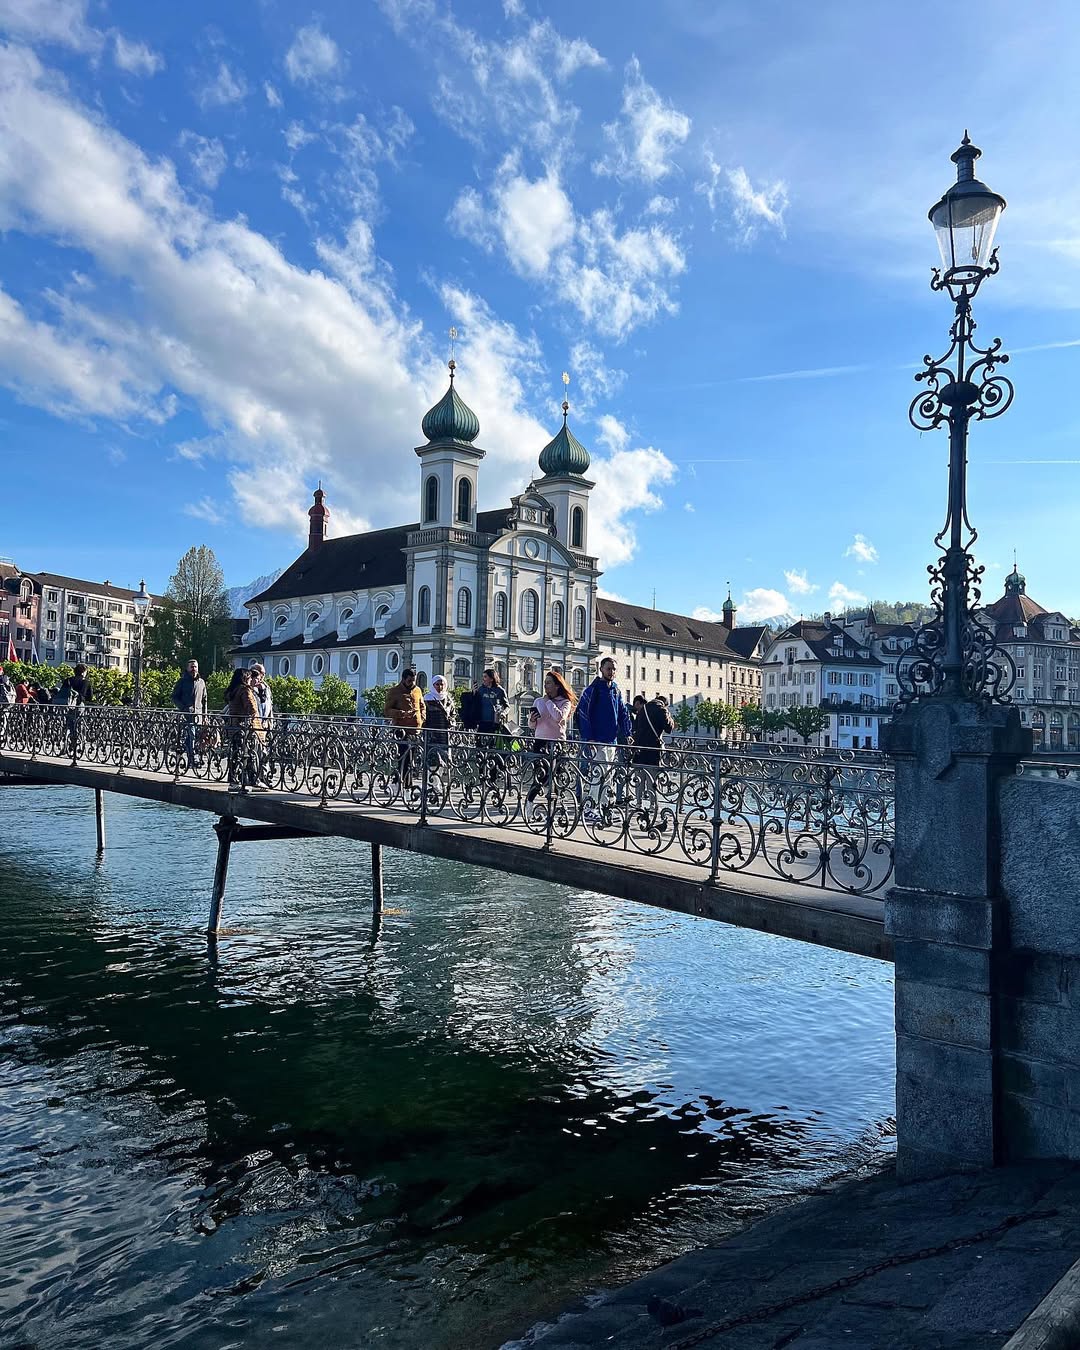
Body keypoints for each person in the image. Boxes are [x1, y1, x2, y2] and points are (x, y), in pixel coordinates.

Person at [577, 656, 632, 815]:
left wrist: (627, 732)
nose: (612, 672)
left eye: (614, 669)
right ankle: (591, 807)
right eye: (609, 668)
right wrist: (590, 737)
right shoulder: (593, 690)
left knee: (609, 774)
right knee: (598, 773)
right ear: (601, 669)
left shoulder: (616, 690)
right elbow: (584, 714)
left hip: (611, 739)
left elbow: (623, 713)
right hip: (597, 739)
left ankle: (605, 806)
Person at [526, 669, 574, 811]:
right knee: (540, 776)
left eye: (549, 683)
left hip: (557, 742)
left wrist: (548, 702)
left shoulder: (565, 702)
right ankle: (529, 803)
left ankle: (553, 807)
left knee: (555, 777)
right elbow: (532, 725)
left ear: (557, 685)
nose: (545, 686)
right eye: (545, 683)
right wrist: (532, 720)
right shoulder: (538, 701)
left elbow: (559, 717)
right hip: (540, 741)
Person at [632, 692, 675, 808]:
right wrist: (670, 718)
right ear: (665, 704)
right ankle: (652, 804)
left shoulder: (643, 709)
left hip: (639, 748)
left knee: (639, 777)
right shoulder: (661, 709)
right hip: (652, 748)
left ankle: (638, 803)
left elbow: (635, 728)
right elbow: (669, 728)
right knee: (652, 779)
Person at [385, 667, 425, 786]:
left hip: (416, 730)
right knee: (405, 757)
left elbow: (422, 706)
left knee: (412, 758)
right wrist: (401, 713)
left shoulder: (417, 690)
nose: (412, 683)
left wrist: (422, 718)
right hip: (401, 729)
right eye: (409, 681)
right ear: (403, 679)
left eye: (414, 680)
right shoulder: (394, 691)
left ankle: (399, 780)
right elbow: (387, 710)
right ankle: (406, 784)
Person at [225, 668, 264, 790]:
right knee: (250, 754)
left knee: (236, 753)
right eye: (248, 677)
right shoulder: (244, 690)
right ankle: (251, 780)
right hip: (246, 727)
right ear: (245, 678)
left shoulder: (233, 690)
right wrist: (254, 721)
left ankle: (234, 780)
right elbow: (251, 709)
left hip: (234, 726)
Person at [171, 659, 209, 770]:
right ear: (187, 668)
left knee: (197, 739)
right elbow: (174, 696)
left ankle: (194, 757)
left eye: (195, 667)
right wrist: (183, 708)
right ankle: (193, 759)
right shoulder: (182, 681)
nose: (194, 669)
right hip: (187, 715)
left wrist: (204, 715)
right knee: (191, 737)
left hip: (198, 715)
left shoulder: (201, 682)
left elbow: (205, 699)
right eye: (192, 667)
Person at [423, 675, 453, 766]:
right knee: (432, 756)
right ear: (433, 685)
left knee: (445, 755)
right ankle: (430, 777)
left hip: (445, 732)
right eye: (437, 684)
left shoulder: (448, 699)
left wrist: (451, 721)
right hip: (432, 731)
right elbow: (424, 714)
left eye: (442, 684)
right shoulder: (427, 698)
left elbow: (453, 713)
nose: (440, 687)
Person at [475, 669, 510, 739]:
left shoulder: (500, 690)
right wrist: (473, 693)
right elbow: (475, 703)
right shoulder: (481, 689)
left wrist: (503, 713)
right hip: (482, 722)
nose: (483, 679)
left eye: (485, 677)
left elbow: (507, 706)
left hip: (494, 722)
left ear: (491, 679)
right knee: (479, 745)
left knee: (492, 745)